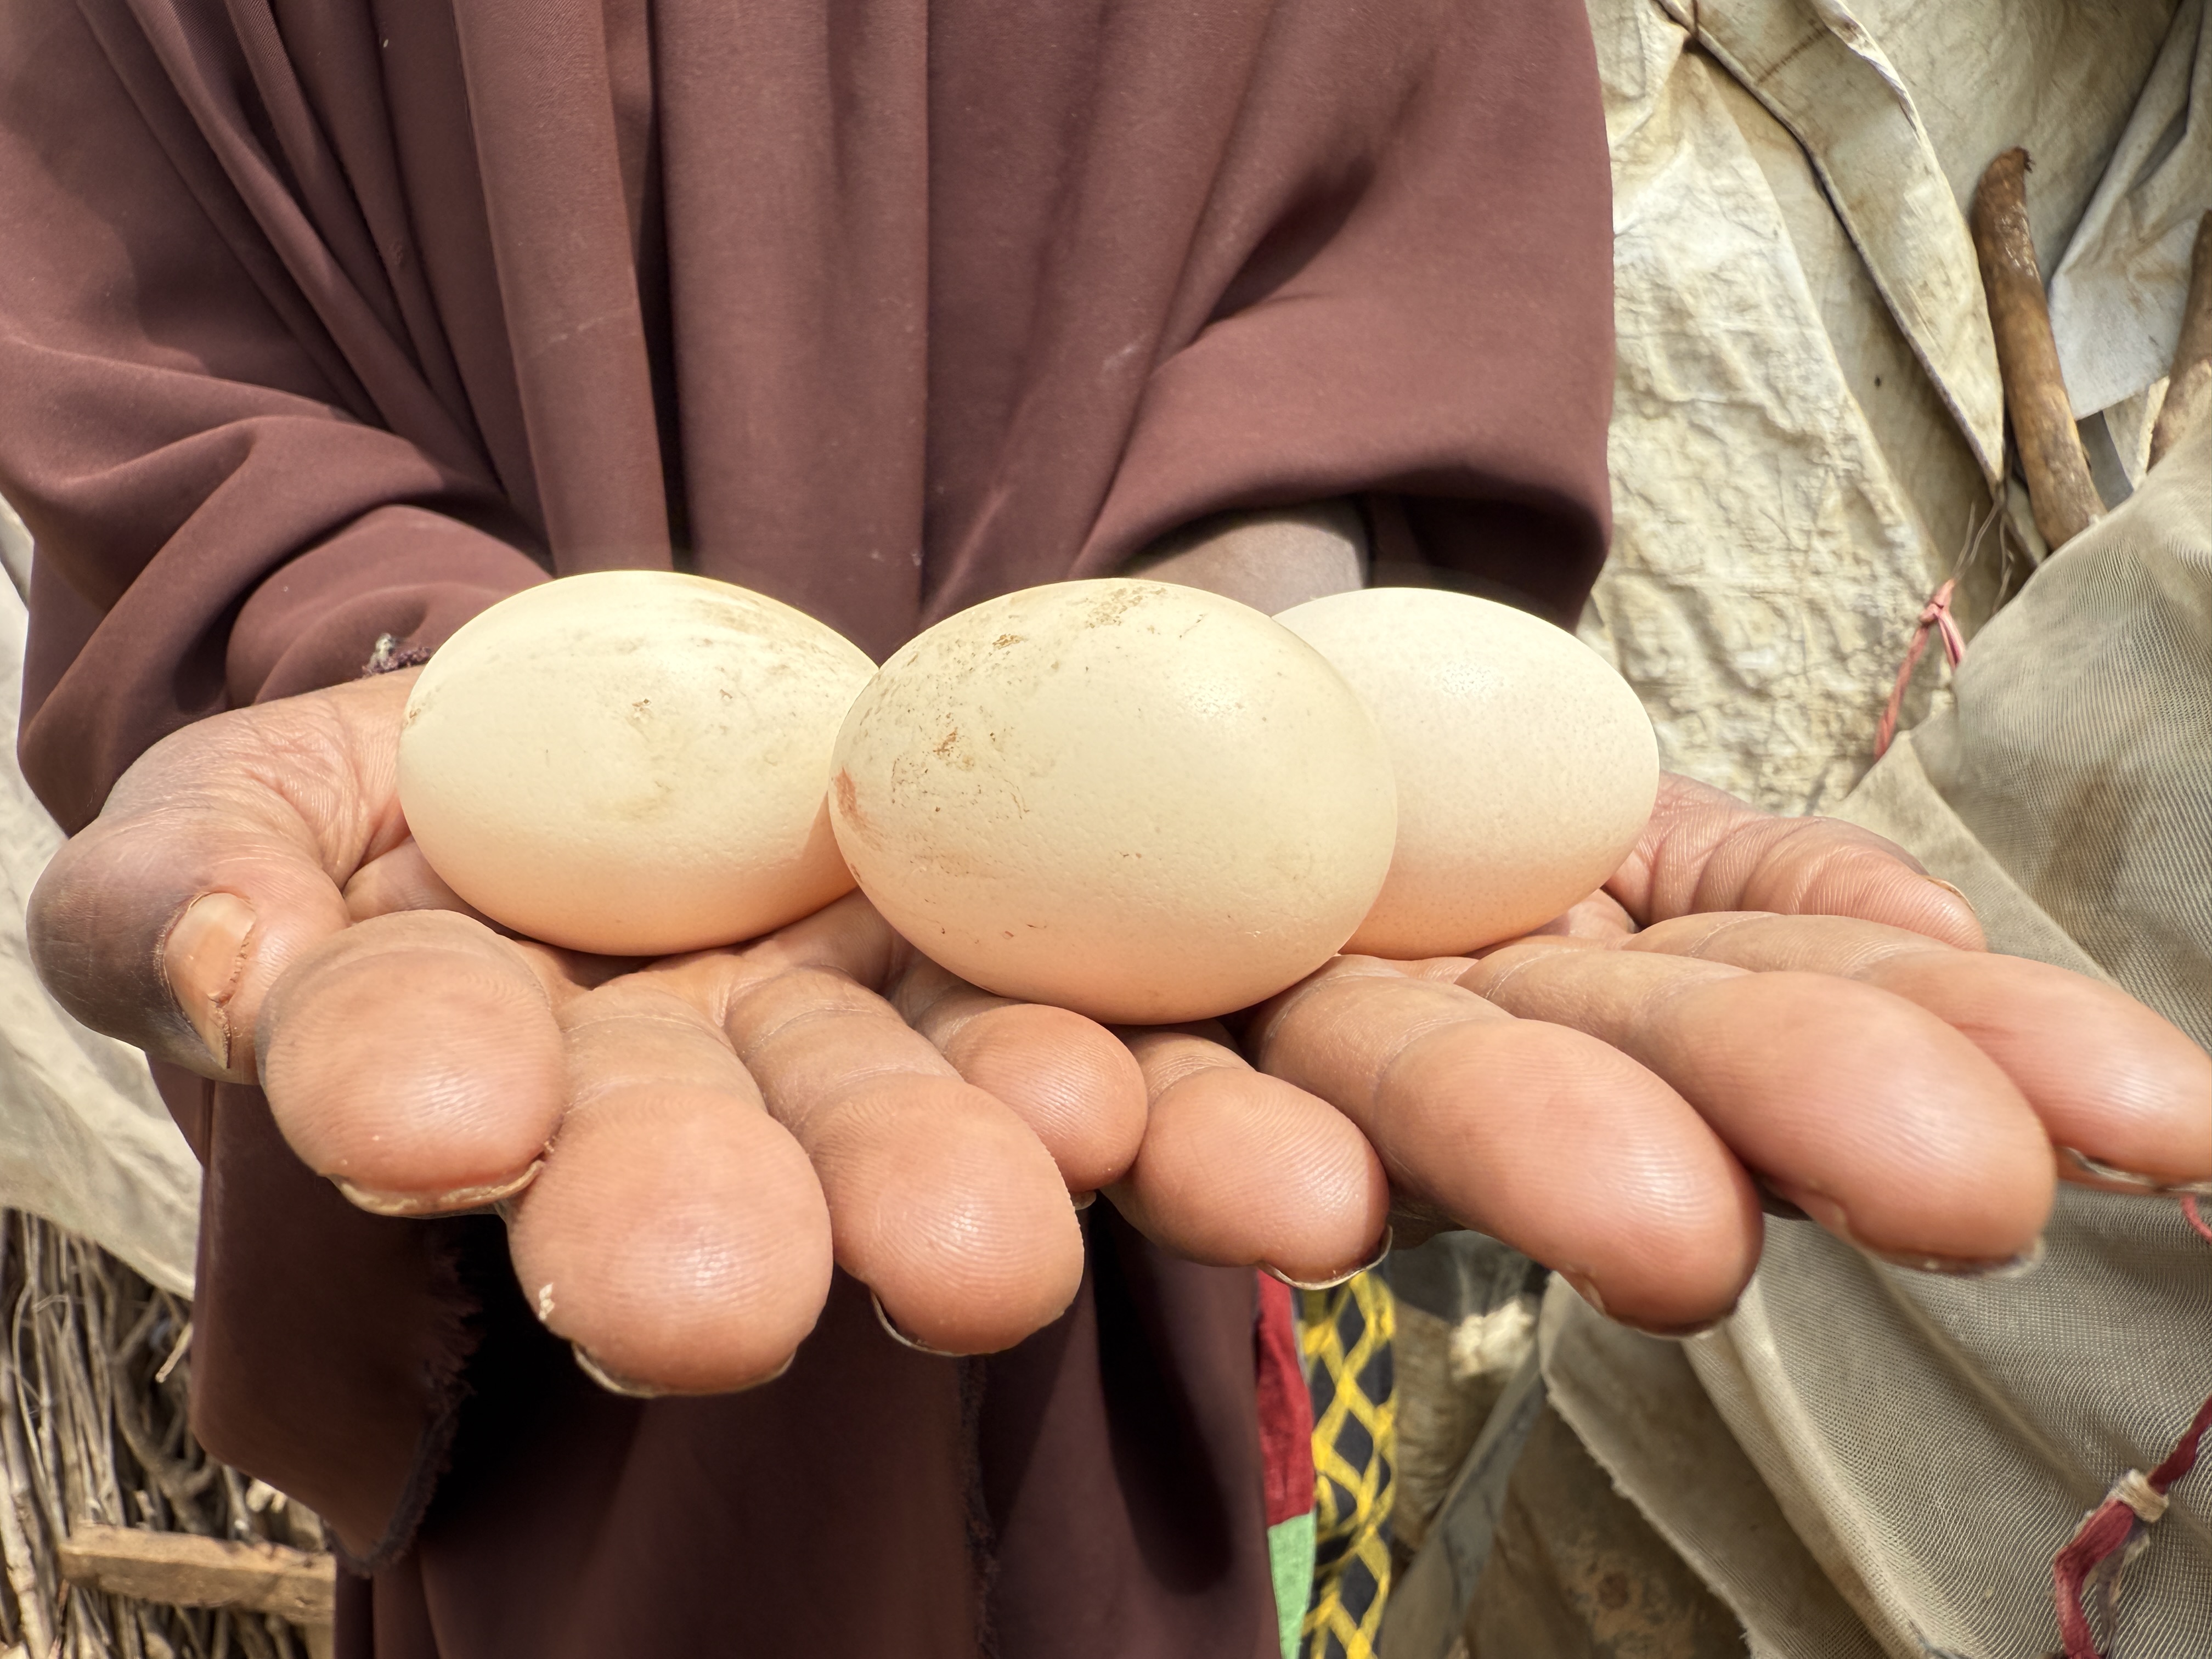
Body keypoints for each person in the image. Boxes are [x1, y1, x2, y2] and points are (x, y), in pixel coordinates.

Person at [4, 0, 2207, 1655]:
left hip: (1150, 1156)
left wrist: (1263, 585)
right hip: (549, 1132)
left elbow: (1375, 175)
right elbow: (142, 282)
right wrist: (380, 661)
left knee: (1122, 1507)